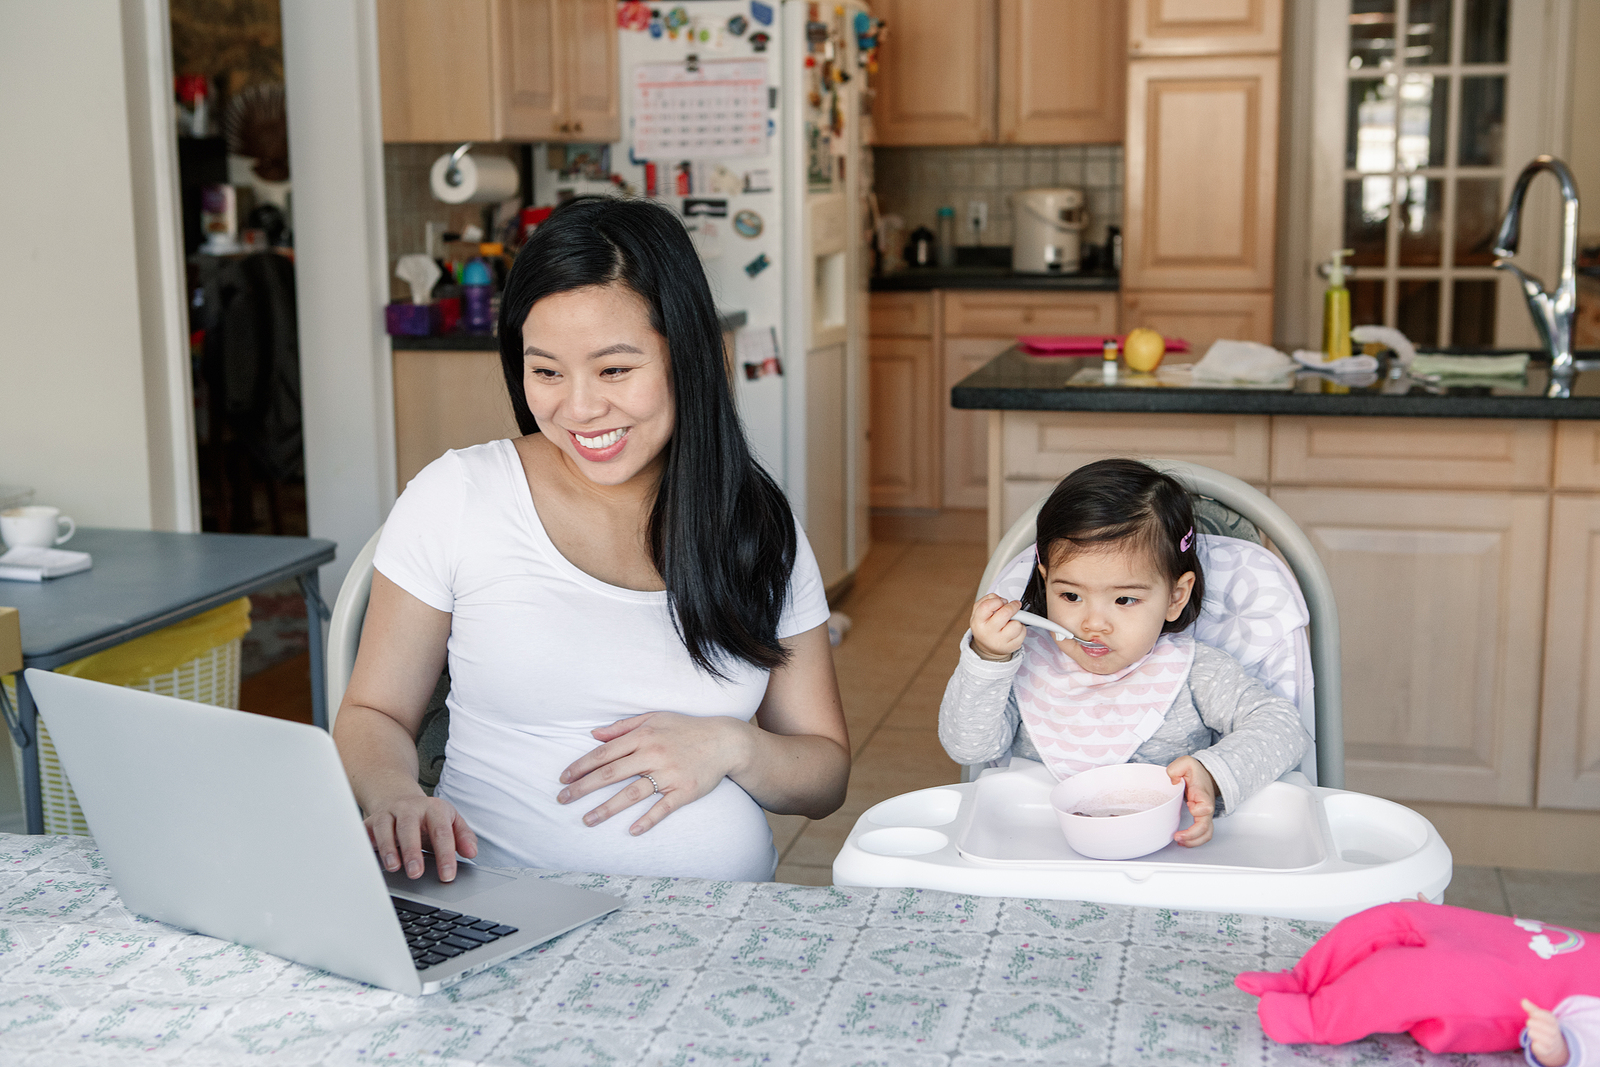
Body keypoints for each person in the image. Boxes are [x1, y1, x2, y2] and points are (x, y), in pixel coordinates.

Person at [334, 198, 850, 884]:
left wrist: (734, 746)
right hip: (503, 910)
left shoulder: (753, 525)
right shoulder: (458, 496)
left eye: (613, 370)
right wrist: (396, 794)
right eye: (546, 371)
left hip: (715, 932)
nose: (578, 408)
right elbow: (372, 713)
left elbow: (825, 772)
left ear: (686, 357)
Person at [938, 458, 1308, 846]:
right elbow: (968, 747)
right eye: (1070, 595)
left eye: (1125, 599)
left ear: (1175, 597)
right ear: (1045, 582)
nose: (1093, 623)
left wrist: (1213, 773)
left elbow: (1283, 728)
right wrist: (988, 660)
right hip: (1037, 849)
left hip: (1169, 857)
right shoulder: (1023, 663)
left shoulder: (1197, 672)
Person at [1234, 899, 1600, 1061]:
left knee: (1400, 979)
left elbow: (1587, 1049)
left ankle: (1315, 1018)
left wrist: (1556, 1050)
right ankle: (1304, 979)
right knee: (1389, 918)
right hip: (1479, 936)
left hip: (1478, 988)